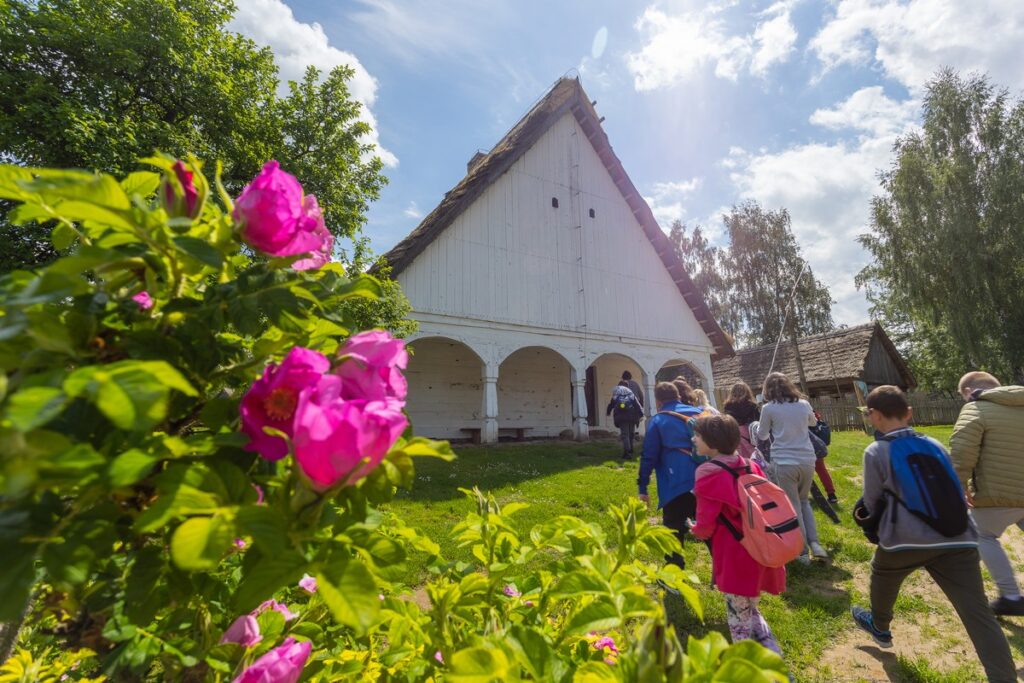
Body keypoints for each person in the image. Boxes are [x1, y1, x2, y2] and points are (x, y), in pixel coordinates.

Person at [850, 386, 1016, 683]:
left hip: (904, 540)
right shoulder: (935, 444)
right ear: (909, 413)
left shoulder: (876, 451)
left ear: (873, 416)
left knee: (882, 573)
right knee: (978, 615)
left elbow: (872, 503)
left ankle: (880, 626)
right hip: (959, 539)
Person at [690, 414, 787, 657]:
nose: (693, 439)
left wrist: (694, 529)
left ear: (711, 442)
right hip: (758, 548)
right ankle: (774, 658)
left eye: (698, 435)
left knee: (739, 622)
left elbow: (705, 524)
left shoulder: (707, 473)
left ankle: (749, 665)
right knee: (750, 610)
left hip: (735, 554)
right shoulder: (749, 464)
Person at [949, 371, 1024, 617]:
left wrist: (959, 485)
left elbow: (962, 450)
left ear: (969, 391)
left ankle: (1011, 597)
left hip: (996, 493)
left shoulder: (976, 408)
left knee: (983, 535)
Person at [756, 372, 828, 562]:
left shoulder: (769, 408)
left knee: (793, 505)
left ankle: (802, 551)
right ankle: (815, 543)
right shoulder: (803, 404)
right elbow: (813, 422)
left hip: (784, 461)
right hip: (807, 460)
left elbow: (762, 436)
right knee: (804, 502)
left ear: (768, 389)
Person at [638, 382, 705, 570]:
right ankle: (727, 573)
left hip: (677, 482)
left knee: (673, 528)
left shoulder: (659, 421)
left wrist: (643, 488)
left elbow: (648, 456)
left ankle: (674, 573)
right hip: (708, 479)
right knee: (712, 528)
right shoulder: (700, 413)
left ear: (658, 401)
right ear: (679, 396)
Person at [606, 381, 642, 460]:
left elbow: (611, 404)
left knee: (625, 435)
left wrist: (608, 412)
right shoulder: (630, 393)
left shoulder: (617, 393)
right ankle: (631, 450)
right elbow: (637, 404)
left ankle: (627, 453)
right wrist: (641, 414)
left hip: (622, 417)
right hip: (632, 416)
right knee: (631, 434)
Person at [723, 382, 760, 459]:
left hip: (733, 433)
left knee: (738, 458)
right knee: (753, 457)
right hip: (749, 434)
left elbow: (726, 421)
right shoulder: (752, 405)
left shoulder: (728, 405)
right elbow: (758, 422)